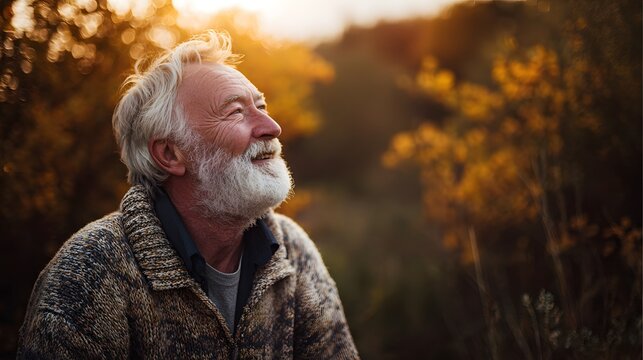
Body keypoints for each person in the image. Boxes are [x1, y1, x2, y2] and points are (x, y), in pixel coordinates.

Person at [17, 31, 359, 359]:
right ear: (170, 154)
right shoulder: (89, 272)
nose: (272, 127)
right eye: (236, 112)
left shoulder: (292, 249)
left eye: (261, 106)